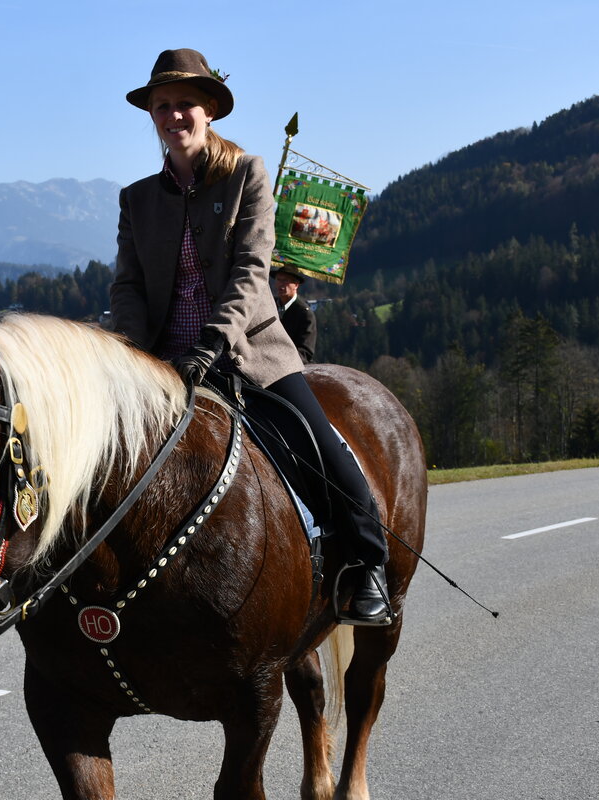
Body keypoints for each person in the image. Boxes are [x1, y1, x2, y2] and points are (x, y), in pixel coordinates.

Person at [109, 48, 391, 625]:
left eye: (184, 103)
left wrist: (214, 341)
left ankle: (369, 563)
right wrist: (129, 354)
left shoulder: (247, 175)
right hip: (163, 361)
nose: (173, 115)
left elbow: (250, 269)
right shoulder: (136, 199)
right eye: (162, 106)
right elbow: (128, 287)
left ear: (209, 110)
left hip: (248, 351)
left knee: (318, 443)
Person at [271, 265, 317, 363]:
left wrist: (281, 359)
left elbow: (305, 352)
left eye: (285, 280)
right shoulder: (269, 305)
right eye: (278, 280)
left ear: (296, 285)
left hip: (292, 364)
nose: (281, 284)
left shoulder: (305, 314)